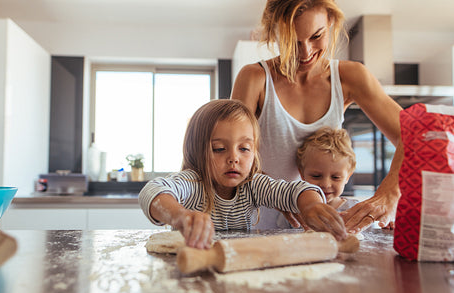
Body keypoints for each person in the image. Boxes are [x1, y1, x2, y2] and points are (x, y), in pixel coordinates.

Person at [231, 0, 402, 233]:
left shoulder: (349, 77)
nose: (305, 52)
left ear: (330, 22)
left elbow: (415, 135)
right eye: (292, 41)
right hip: (257, 227)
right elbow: (233, 158)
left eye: (316, 36)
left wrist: (389, 193)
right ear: (274, 33)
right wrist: (287, 197)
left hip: (316, 233)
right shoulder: (254, 78)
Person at [138, 99, 347, 249]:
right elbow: (153, 191)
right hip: (190, 266)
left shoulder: (253, 185)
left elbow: (293, 190)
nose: (233, 158)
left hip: (234, 267)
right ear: (196, 151)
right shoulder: (193, 183)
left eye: (244, 148)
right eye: (219, 149)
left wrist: (310, 205)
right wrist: (180, 216)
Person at [296, 127, 358, 212]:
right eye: (316, 176)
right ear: (302, 174)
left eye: (335, 177)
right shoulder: (294, 212)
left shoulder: (355, 210)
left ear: (347, 177)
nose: (326, 184)